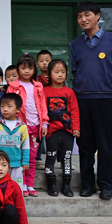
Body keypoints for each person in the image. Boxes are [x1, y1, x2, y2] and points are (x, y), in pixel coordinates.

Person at [70, 2, 112, 200]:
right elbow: (75, 70)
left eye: (87, 15)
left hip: (105, 98)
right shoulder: (75, 45)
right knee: (85, 144)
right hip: (82, 99)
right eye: (79, 16)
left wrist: (108, 81)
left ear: (97, 16)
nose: (83, 19)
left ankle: (105, 185)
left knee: (105, 144)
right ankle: (87, 185)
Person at [7, 55, 49, 197]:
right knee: (20, 156)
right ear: (18, 69)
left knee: (31, 157)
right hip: (19, 128)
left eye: (30, 68)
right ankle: (22, 184)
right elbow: (9, 107)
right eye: (23, 68)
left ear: (34, 70)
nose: (26, 71)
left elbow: (43, 106)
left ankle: (30, 185)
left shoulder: (38, 86)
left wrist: (44, 123)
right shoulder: (13, 86)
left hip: (35, 126)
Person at [44, 59, 80, 197]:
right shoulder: (44, 91)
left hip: (67, 132)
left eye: (63, 72)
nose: (60, 75)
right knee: (50, 157)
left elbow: (75, 111)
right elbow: (42, 111)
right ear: (49, 74)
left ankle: (66, 186)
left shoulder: (69, 92)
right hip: (51, 131)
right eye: (56, 72)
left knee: (66, 158)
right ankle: (51, 185)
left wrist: (76, 127)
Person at [0, 94, 30, 194]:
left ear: (18, 109)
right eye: (2, 106)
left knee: (16, 189)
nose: (5, 109)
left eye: (9, 106)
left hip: (16, 165)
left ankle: (15, 204)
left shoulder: (23, 127)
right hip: (0, 164)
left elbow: (26, 146)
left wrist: (25, 161)